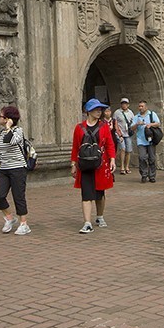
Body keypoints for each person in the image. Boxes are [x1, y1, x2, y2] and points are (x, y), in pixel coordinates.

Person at [70, 98, 116, 233]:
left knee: (99, 193)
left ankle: (100, 216)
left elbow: (110, 144)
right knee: (86, 194)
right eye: (96, 109)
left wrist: (112, 159)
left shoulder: (104, 126)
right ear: (88, 111)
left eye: (100, 109)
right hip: (84, 164)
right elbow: (75, 147)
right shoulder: (79, 128)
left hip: (100, 163)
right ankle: (87, 223)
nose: (99, 111)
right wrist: (73, 164)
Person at [0, 105, 31, 235]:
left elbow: (10, 141)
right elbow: (0, 152)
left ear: (8, 119)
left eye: (1, 116)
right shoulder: (1, 133)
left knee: (18, 196)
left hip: (18, 168)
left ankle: (24, 223)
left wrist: (9, 128)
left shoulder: (18, 131)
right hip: (4, 169)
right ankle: (9, 218)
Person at [132, 100, 160, 183]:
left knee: (152, 158)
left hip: (150, 140)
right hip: (141, 140)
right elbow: (132, 128)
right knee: (142, 157)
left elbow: (158, 123)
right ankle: (144, 174)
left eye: (142, 106)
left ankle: (152, 176)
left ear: (146, 107)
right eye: (139, 106)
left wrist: (150, 124)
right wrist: (137, 124)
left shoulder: (152, 114)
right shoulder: (136, 117)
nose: (140, 108)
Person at [111, 98, 134, 175]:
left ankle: (127, 166)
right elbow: (115, 123)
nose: (124, 105)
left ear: (128, 105)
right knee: (123, 149)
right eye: (123, 103)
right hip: (120, 133)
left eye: (125, 103)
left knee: (128, 150)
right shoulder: (117, 112)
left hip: (127, 134)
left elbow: (133, 122)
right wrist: (118, 133)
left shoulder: (130, 112)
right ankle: (122, 167)